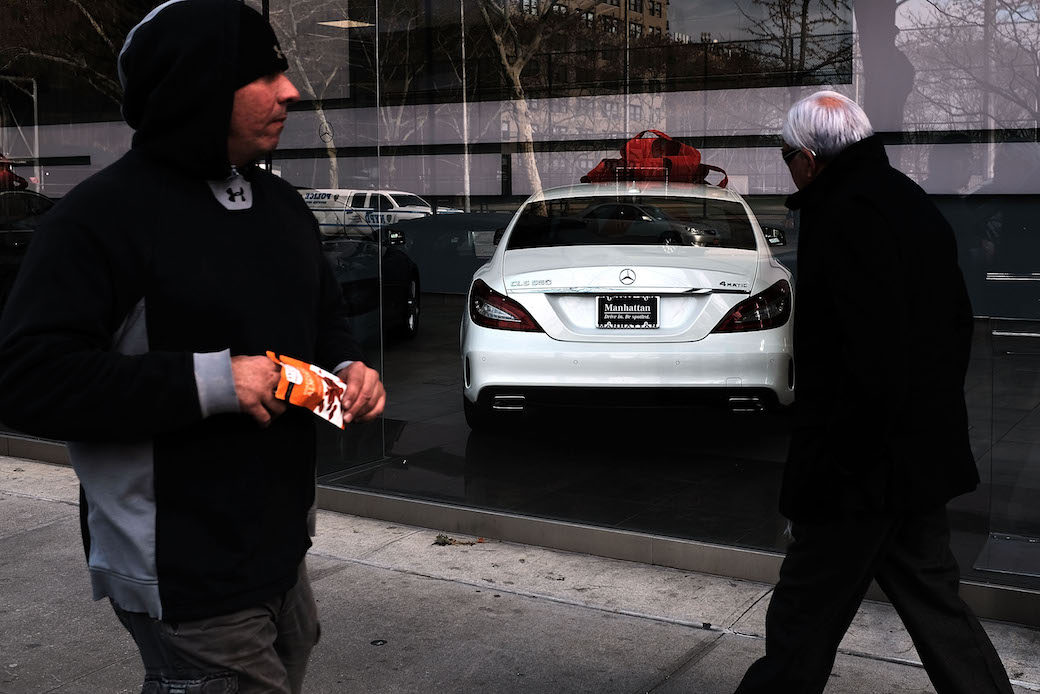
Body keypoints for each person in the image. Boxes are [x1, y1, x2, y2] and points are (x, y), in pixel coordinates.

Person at [0, 2, 385, 693]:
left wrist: (349, 372)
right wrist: (216, 382)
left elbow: (322, 320)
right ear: (199, 90)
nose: (290, 92)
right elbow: (29, 378)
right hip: (178, 558)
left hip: (280, 543)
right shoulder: (98, 218)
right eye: (265, 75)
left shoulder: (281, 206)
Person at [733, 91, 1013, 694]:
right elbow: (950, 327)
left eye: (786, 156)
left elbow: (869, 358)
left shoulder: (847, 214)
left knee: (802, 617)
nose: (788, 167)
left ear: (810, 156)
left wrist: (840, 464)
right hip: (913, 456)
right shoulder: (906, 202)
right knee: (933, 602)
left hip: (860, 470)